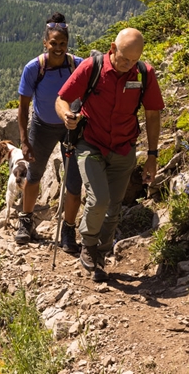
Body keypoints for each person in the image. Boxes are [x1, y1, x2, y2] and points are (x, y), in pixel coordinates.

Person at [55, 27, 163, 282]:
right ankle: (88, 244)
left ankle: (99, 256)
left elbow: (152, 114)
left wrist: (152, 155)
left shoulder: (144, 74)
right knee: (98, 199)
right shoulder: (92, 69)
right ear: (113, 49)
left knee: (113, 208)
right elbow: (62, 99)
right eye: (125, 58)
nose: (129, 65)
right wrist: (66, 116)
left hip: (124, 147)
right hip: (90, 144)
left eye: (134, 60)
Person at [14, 13, 83, 253]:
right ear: (45, 43)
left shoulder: (78, 65)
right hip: (42, 126)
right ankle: (25, 222)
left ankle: (68, 230)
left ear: (67, 44)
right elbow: (23, 107)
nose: (58, 48)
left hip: (71, 128)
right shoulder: (34, 68)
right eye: (53, 43)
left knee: (74, 181)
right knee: (34, 174)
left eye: (62, 43)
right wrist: (24, 141)